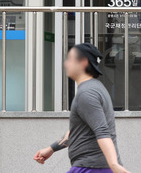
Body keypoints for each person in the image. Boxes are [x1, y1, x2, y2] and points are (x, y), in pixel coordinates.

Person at [34, 43, 130, 173]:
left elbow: (102, 131)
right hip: (93, 166)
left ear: (83, 62)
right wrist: (51, 148)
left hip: (91, 168)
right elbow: (78, 131)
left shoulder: (86, 93)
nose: (65, 64)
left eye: (69, 59)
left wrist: (114, 165)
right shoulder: (94, 88)